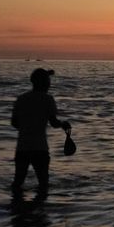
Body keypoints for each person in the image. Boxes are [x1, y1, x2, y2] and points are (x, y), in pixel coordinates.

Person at [11, 68, 71, 197]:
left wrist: (27, 128)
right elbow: (54, 123)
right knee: (43, 185)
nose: (49, 83)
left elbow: (14, 123)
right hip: (40, 148)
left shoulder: (21, 99)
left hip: (22, 147)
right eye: (48, 80)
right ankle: (40, 213)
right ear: (43, 83)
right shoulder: (48, 99)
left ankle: (17, 212)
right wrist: (63, 124)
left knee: (17, 183)